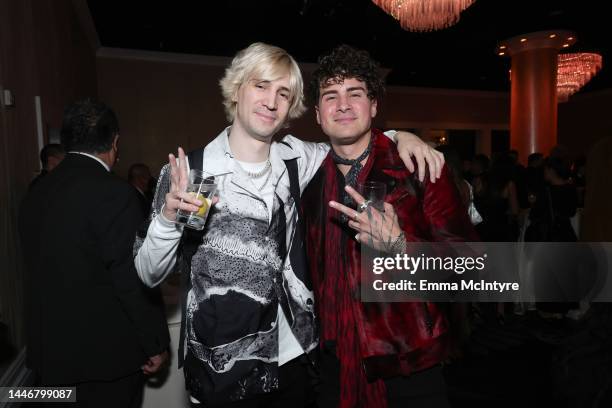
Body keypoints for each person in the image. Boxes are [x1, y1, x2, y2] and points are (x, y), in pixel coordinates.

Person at [134, 42, 444, 407]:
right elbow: (148, 274)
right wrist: (168, 220)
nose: (271, 101)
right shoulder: (191, 172)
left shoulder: (297, 159)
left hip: (298, 363)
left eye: (284, 92)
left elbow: (351, 139)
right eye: (261, 85)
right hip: (225, 372)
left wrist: (398, 136)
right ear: (237, 90)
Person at [301, 45, 477, 408]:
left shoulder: (419, 169)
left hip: (408, 367)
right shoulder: (311, 184)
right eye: (331, 96)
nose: (343, 105)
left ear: (374, 106)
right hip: (335, 368)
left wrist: (400, 245)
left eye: (355, 93)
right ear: (318, 114)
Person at [19, 99, 170, 408]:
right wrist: (155, 343)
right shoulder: (116, 194)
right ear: (114, 142)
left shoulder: (36, 193)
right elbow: (130, 278)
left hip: (49, 356)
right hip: (104, 362)